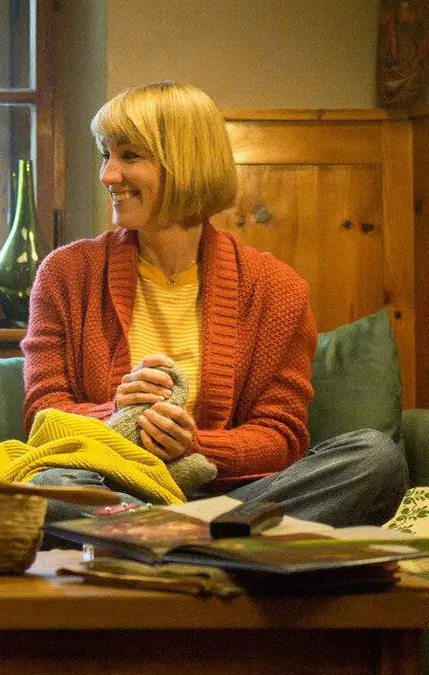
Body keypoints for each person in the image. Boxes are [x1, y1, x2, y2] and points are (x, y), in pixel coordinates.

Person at [21, 82, 407, 530]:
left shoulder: (277, 289)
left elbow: (280, 437)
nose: (108, 175)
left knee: (375, 459)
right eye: (106, 155)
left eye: (129, 156)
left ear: (185, 162)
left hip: (228, 496)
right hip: (114, 486)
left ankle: (161, 535)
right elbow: (42, 412)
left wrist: (194, 446)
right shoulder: (67, 273)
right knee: (54, 487)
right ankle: (207, 539)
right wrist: (116, 416)